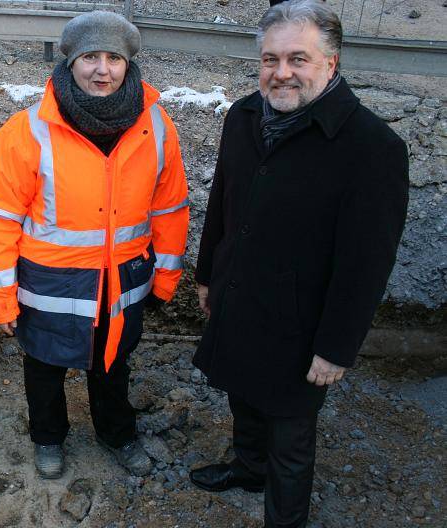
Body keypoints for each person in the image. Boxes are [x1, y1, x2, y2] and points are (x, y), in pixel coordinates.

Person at [188, 1, 409, 526]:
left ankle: (284, 517)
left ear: (331, 63)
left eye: (297, 60)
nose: (280, 73)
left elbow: (367, 262)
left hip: (301, 321)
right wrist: (205, 275)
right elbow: (223, 200)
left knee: (290, 434)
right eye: (270, 59)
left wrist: (336, 348)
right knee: (241, 393)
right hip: (240, 292)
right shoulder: (245, 116)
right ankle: (247, 465)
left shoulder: (372, 147)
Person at [0, 10, 189, 479]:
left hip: (121, 283)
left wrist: (166, 277)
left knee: (112, 367)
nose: (102, 69)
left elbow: (169, 208)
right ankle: (48, 439)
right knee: (44, 370)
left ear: (129, 65)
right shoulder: (27, 131)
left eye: (113, 57)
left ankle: (117, 433)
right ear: (70, 63)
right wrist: (1, 299)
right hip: (49, 284)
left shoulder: (157, 127)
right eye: (91, 56)